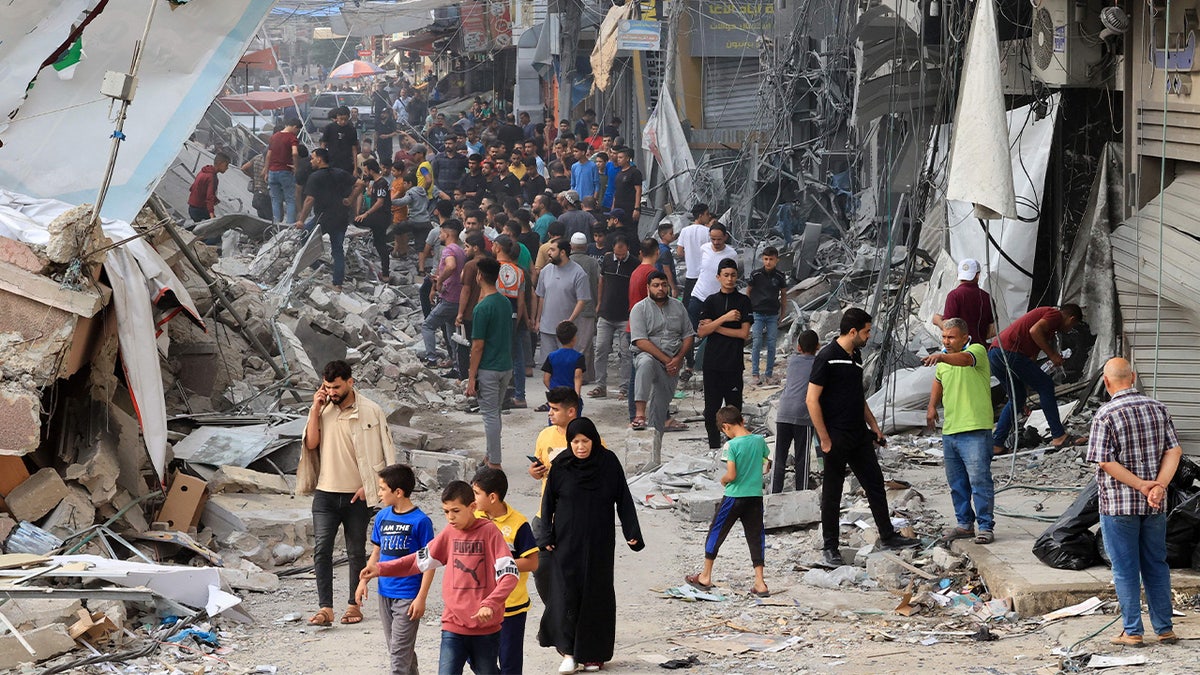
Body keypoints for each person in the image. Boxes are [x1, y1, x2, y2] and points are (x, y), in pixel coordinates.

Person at [360, 481, 518, 675]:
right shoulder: (449, 533)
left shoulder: (490, 532)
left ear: (472, 507)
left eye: (456, 511)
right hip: (453, 625)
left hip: (485, 628)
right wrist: (381, 568)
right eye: (446, 511)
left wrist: (490, 603)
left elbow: (510, 575)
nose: (450, 517)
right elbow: (419, 561)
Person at [806, 309, 918, 566]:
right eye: (866, 331)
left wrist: (875, 427)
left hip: (858, 434)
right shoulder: (827, 357)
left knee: (875, 484)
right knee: (832, 494)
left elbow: (858, 397)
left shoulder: (855, 356)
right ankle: (830, 547)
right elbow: (811, 400)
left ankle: (888, 535)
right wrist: (824, 439)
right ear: (853, 331)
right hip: (834, 436)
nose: (869, 336)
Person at [1086, 357, 1183, 647]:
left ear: (1106, 382)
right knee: (1156, 563)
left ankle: (1133, 631)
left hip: (1118, 506)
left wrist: (1141, 485)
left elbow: (1104, 461)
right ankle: (1165, 628)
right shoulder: (1158, 408)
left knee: (1125, 568)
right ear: (1134, 377)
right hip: (1154, 505)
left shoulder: (1105, 414)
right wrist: (1158, 487)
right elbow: (1174, 451)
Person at [538, 417, 644, 674]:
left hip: (599, 542)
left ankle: (593, 654)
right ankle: (569, 652)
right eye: (575, 441)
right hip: (566, 541)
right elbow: (548, 502)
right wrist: (545, 537)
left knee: (596, 593)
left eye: (585, 441)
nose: (580, 446)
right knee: (566, 593)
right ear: (569, 442)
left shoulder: (608, 463)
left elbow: (624, 499)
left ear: (594, 440)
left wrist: (632, 532)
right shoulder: (561, 466)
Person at [297, 360, 396, 628]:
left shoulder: (371, 411)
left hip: (357, 496)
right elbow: (311, 443)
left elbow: (387, 454)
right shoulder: (322, 409)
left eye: (336, 387)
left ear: (350, 382)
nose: (332, 392)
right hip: (325, 494)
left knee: (355, 552)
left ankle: (354, 605)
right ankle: (325, 609)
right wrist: (315, 409)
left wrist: (372, 487)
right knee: (322, 551)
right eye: (327, 387)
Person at [355, 464, 436, 675]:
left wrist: (421, 598)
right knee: (400, 649)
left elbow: (429, 563)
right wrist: (363, 582)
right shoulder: (382, 517)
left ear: (398, 492)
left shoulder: (421, 522)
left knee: (398, 656)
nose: (379, 493)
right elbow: (376, 553)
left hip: (408, 596)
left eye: (382, 489)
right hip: (385, 593)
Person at [684, 406, 771, 597]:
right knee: (756, 536)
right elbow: (768, 461)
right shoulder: (758, 440)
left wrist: (723, 480)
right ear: (742, 421)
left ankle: (705, 576)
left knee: (716, 531)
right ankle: (760, 582)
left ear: (726, 427)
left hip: (734, 496)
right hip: (755, 496)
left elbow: (732, 474)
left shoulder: (731, 446)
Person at [924, 317, 996, 544]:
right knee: (956, 483)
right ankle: (964, 524)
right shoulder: (945, 359)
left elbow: (965, 360)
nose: (946, 341)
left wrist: (942, 356)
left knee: (979, 480)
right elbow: (938, 380)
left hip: (974, 428)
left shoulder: (976, 351)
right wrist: (931, 406)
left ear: (965, 337)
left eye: (951, 337)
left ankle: (985, 526)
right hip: (951, 429)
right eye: (944, 337)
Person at [989, 304, 1085, 454]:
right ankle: (1058, 436)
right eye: (1072, 325)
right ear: (1071, 318)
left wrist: (1030, 380)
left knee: (1017, 397)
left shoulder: (1050, 330)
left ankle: (997, 443)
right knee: (1046, 385)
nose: (1069, 329)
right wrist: (1053, 355)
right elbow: (1034, 331)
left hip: (996, 353)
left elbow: (1031, 358)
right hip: (1009, 352)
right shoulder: (1055, 315)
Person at [471, 468, 539, 675]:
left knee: (509, 661)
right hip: (479, 603)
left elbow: (532, 563)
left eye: (476, 493)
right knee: (475, 656)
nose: (472, 498)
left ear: (492, 497)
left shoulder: (518, 524)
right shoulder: (473, 518)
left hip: (511, 606)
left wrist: (501, 563)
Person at [629, 271, 695, 433]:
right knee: (646, 362)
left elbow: (688, 336)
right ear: (648, 288)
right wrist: (667, 360)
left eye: (664, 285)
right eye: (656, 285)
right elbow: (640, 341)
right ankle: (639, 414)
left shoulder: (678, 307)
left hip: (673, 361)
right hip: (649, 356)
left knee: (659, 412)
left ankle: (655, 444)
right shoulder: (640, 309)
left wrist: (678, 359)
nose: (660, 289)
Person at [698, 258, 752, 448]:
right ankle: (714, 447)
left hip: (733, 364)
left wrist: (715, 327)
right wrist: (725, 318)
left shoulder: (744, 301)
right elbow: (702, 332)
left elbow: (744, 334)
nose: (729, 279)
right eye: (726, 275)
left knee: (734, 410)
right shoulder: (711, 301)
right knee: (711, 409)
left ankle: (734, 448)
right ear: (718, 277)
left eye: (733, 275)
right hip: (712, 364)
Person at [468, 257, 514, 469]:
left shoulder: (482, 308)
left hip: (488, 369)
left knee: (489, 416)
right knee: (495, 413)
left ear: (479, 276)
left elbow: (477, 346)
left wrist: (471, 377)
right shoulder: (504, 302)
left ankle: (494, 462)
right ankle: (490, 455)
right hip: (505, 366)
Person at [294, 148, 354, 291]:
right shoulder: (340, 173)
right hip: (341, 218)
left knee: (305, 236)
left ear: (319, 159)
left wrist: (301, 220)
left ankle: (315, 265)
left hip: (323, 218)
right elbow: (359, 184)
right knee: (337, 250)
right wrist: (350, 199)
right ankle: (337, 284)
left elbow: (309, 200)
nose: (311, 161)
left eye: (313, 158)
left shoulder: (315, 177)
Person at [772, 330, 818, 493]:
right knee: (802, 458)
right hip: (803, 415)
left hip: (783, 412)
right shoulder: (818, 364)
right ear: (817, 346)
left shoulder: (792, 361)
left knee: (779, 457)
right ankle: (802, 493)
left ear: (798, 347)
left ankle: (774, 493)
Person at [590, 236, 635, 399]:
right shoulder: (608, 259)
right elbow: (601, 281)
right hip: (606, 314)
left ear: (628, 248)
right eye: (618, 254)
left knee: (626, 353)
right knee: (600, 349)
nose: (620, 257)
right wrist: (599, 303)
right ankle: (600, 385)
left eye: (623, 254)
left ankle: (624, 388)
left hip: (625, 316)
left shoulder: (634, 264)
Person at [533, 237, 591, 360]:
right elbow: (541, 297)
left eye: (553, 250)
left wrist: (569, 321)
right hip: (546, 328)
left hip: (567, 332)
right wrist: (538, 320)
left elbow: (582, 300)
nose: (549, 253)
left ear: (563, 252)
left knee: (566, 367)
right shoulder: (545, 271)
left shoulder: (579, 273)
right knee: (548, 367)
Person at [421, 220, 466, 368]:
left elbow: (451, 266)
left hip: (450, 297)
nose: (439, 235)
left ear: (446, 234)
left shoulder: (448, 250)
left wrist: (440, 281)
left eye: (440, 233)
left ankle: (431, 359)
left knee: (428, 326)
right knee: (452, 332)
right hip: (458, 297)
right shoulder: (460, 249)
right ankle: (457, 364)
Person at [747, 246, 788, 385]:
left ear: (777, 260)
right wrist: (747, 312)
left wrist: (782, 314)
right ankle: (755, 374)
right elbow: (748, 292)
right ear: (762, 259)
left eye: (771, 259)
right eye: (765, 259)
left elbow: (783, 295)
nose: (768, 262)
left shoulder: (780, 276)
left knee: (771, 345)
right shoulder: (756, 275)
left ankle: (769, 374)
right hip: (757, 313)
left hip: (772, 315)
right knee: (757, 343)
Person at [453, 232, 491, 380]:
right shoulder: (491, 262)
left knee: (464, 345)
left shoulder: (470, 265)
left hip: (470, 312)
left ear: (476, 248)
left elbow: (466, 290)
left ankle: (465, 377)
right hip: (487, 310)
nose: (465, 250)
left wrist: (460, 313)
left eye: (467, 246)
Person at [932, 257, 996, 344]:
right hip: (980, 349)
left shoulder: (954, 296)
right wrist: (977, 335)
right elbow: (993, 330)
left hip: (960, 350)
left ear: (958, 275)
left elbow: (949, 328)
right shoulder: (987, 297)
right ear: (978, 275)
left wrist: (937, 320)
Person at [687, 223, 737, 330]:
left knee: (712, 330)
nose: (716, 242)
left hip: (717, 299)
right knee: (692, 328)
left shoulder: (731, 254)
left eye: (719, 239)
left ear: (725, 237)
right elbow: (701, 268)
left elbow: (732, 276)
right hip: (698, 295)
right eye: (713, 239)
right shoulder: (704, 248)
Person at [353, 159, 394, 281]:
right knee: (380, 244)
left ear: (371, 170)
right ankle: (385, 274)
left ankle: (386, 273)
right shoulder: (376, 183)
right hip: (379, 217)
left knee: (356, 221)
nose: (365, 174)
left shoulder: (381, 183)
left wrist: (366, 214)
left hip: (380, 217)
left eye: (366, 171)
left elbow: (380, 202)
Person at [390, 170, 432, 263]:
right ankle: (421, 269)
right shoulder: (423, 191)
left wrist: (390, 201)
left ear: (410, 183)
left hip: (415, 221)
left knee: (397, 229)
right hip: (426, 221)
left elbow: (403, 202)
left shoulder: (411, 192)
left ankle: (402, 251)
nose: (403, 186)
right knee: (420, 247)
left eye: (405, 183)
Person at [541, 321, 586, 405]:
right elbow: (577, 377)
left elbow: (546, 379)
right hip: (571, 396)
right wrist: (576, 396)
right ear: (574, 338)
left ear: (558, 338)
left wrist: (554, 392)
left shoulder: (551, 356)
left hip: (556, 399)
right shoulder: (578, 357)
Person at [267, 119, 302, 223]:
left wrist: (266, 170)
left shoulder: (274, 136)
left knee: (275, 200)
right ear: (295, 127)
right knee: (290, 200)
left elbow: (269, 154)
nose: (297, 132)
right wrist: (296, 166)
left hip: (272, 172)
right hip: (285, 171)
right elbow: (295, 153)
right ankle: (289, 225)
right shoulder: (292, 138)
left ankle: (276, 224)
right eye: (297, 130)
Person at [676, 204, 712, 300]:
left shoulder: (684, 231)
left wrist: (689, 256)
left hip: (690, 274)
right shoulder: (708, 232)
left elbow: (679, 252)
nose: (709, 216)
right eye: (707, 214)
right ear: (700, 216)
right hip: (705, 275)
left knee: (688, 303)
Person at [187, 151, 229, 222]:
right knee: (214, 226)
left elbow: (193, 188)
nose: (227, 168)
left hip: (192, 207)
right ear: (220, 164)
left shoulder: (204, 171)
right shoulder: (212, 177)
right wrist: (211, 214)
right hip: (199, 210)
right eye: (226, 165)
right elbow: (209, 197)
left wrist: (215, 200)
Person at [611, 147, 643, 229]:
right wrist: (613, 206)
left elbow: (638, 190)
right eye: (618, 157)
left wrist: (636, 208)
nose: (618, 160)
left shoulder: (634, 172)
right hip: (618, 207)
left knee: (630, 230)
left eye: (621, 157)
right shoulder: (619, 174)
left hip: (629, 208)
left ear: (628, 158)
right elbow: (616, 191)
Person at [321, 106, 359, 173]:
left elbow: (354, 148)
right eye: (341, 119)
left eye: (346, 119)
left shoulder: (352, 129)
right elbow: (323, 145)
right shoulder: (329, 128)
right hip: (332, 161)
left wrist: (355, 168)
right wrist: (322, 161)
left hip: (346, 162)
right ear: (337, 116)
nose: (343, 122)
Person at [656, 221, 679, 296]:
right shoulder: (665, 251)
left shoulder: (659, 247)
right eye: (671, 233)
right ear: (663, 235)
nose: (673, 236)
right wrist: (673, 288)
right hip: (665, 283)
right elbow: (667, 271)